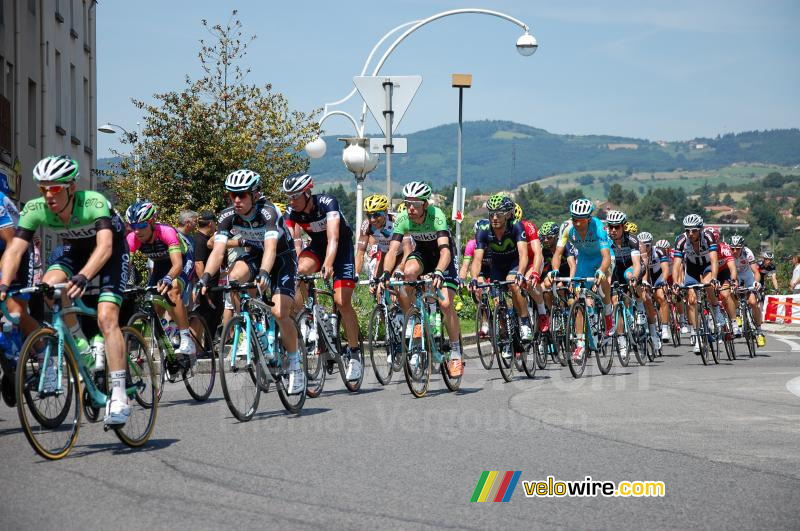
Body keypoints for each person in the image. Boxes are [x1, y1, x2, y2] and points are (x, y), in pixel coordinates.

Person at [0, 156, 131, 426]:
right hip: (73, 249)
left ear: (71, 187)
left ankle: (119, 396)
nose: (48, 195)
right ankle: (83, 347)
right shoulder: (36, 208)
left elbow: (105, 247)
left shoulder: (93, 202)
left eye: (55, 188)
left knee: (106, 317)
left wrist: (84, 276)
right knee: (50, 286)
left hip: (110, 252)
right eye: (43, 188)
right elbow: (14, 249)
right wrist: (3, 284)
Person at [198, 169, 303, 394]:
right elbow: (217, 251)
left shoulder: (268, 211)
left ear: (255, 194)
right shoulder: (227, 216)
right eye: (232, 195)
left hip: (281, 259)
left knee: (280, 312)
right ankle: (252, 326)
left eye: (242, 194)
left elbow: (272, 248)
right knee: (233, 279)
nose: (236, 200)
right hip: (255, 254)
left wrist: (265, 272)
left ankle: (295, 363)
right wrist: (205, 278)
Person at [282, 172, 362, 382]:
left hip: (341, 248)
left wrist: (328, 263)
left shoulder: (328, 203)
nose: (292, 201)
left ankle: (354, 353)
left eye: (295, 196)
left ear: (307, 193)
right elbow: (289, 244)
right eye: (288, 197)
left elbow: (334, 238)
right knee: (299, 271)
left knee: (342, 301)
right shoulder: (292, 211)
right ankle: (308, 315)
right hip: (317, 246)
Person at [379, 181, 464, 377]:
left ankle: (456, 353)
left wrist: (440, 271)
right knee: (408, 273)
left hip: (444, 258)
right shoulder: (403, 218)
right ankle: (413, 318)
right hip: (423, 254)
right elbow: (393, 250)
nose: (410, 208)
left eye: (415, 204)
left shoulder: (437, 215)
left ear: (425, 204)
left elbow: (445, 251)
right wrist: (386, 273)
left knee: (446, 304)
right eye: (408, 202)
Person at [125, 200, 196, 364]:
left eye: (141, 225)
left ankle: (186, 338)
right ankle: (166, 331)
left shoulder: (166, 232)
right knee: (152, 302)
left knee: (172, 290)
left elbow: (177, 264)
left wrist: (169, 278)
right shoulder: (133, 238)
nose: (137, 231)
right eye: (132, 226)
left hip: (183, 261)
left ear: (151, 222)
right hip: (160, 264)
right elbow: (125, 266)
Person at [551, 198, 614, 360]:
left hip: (602, 258)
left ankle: (608, 312)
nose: (577, 223)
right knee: (579, 301)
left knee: (604, 279)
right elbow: (558, 254)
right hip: (584, 259)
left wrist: (601, 270)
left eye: (580, 220)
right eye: (574, 219)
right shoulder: (567, 228)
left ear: (588, 218)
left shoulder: (598, 227)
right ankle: (580, 345)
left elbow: (606, 257)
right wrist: (555, 270)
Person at [469, 194, 530, 340]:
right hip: (496, 265)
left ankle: (524, 322)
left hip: (513, 262)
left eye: (499, 214)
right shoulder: (483, 229)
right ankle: (504, 336)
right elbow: (477, 259)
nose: (494, 218)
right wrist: (473, 278)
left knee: (513, 284)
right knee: (497, 302)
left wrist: (520, 273)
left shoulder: (516, 226)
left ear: (508, 214)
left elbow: (523, 254)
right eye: (491, 214)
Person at [671, 215, 723, 355]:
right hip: (692, 268)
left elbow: (713, 259)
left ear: (700, 229)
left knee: (708, 285)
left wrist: (714, 278)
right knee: (691, 299)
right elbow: (676, 264)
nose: (690, 234)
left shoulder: (708, 236)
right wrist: (676, 282)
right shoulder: (681, 240)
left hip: (706, 266)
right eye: (687, 230)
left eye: (693, 230)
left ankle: (716, 309)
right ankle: (698, 334)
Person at [354, 194, 411, 281]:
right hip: (385, 253)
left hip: (402, 253)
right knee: (377, 284)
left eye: (376, 215)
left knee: (393, 281)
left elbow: (408, 250)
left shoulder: (398, 222)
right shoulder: (367, 226)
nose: (372, 219)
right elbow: (360, 253)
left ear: (385, 212)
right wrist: (356, 274)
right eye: (369, 215)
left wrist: (401, 268)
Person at [729, 235, 765, 347]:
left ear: (742, 247)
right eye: (732, 248)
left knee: (753, 302)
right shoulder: (728, 253)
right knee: (731, 293)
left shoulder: (747, 253)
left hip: (747, 275)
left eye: (738, 248)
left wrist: (756, 282)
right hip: (735, 275)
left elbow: (756, 271)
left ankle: (759, 332)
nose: (734, 251)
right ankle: (738, 314)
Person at [193, 211, 222, 334]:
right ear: (210, 223)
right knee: (208, 315)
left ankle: (207, 347)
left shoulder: (204, 239)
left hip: (212, 284)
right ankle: (206, 349)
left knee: (214, 314)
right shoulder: (200, 240)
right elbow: (198, 264)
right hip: (207, 286)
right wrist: (204, 285)